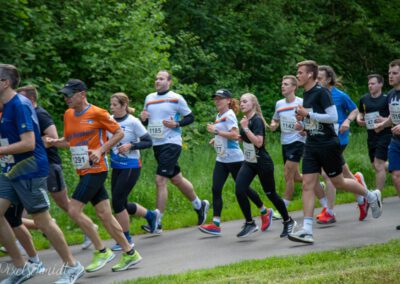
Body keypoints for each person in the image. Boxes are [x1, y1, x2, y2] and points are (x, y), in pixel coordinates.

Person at [0, 64, 84, 283]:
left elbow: (29, 143)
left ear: (5, 83)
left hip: (30, 170)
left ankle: (72, 266)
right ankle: (22, 267)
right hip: (9, 170)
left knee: (43, 221)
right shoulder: (5, 105)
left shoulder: (20, 105)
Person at [47, 79, 142, 273]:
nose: (66, 98)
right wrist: (55, 142)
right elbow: (70, 141)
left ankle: (101, 251)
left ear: (82, 94)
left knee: (73, 210)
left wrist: (101, 150)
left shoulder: (98, 113)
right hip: (82, 169)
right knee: (105, 215)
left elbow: (118, 133)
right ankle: (130, 253)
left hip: (96, 168)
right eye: (65, 95)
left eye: (70, 94)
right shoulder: (68, 114)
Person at [288, 60, 382, 244]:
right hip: (311, 144)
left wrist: (308, 115)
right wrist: (304, 126)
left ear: (309, 75)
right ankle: (307, 230)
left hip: (328, 144)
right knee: (308, 184)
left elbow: (333, 117)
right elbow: (315, 120)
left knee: (338, 182)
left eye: (300, 72)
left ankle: (371, 196)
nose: (297, 75)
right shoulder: (305, 94)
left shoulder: (322, 92)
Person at [17, 85, 95, 250]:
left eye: (21, 98)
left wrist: (31, 145)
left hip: (50, 165)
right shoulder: (25, 114)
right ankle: (20, 237)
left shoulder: (40, 114)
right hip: (32, 167)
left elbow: (52, 137)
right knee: (25, 202)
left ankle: (89, 228)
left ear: (31, 99)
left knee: (65, 204)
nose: (18, 102)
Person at [140, 70, 209, 233]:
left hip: (172, 143)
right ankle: (200, 205)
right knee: (176, 179)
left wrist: (177, 124)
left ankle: (157, 222)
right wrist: (144, 119)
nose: (157, 81)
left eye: (161, 79)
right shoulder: (149, 98)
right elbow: (149, 121)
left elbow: (190, 117)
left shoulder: (176, 98)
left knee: (160, 180)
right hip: (157, 144)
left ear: (169, 82)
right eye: (156, 78)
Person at [199, 89, 272, 236]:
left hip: (234, 158)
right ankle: (216, 224)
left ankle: (264, 211)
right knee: (216, 188)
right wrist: (217, 139)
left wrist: (216, 132)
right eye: (215, 98)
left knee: (243, 189)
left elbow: (234, 135)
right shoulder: (219, 115)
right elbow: (225, 134)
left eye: (220, 98)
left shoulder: (230, 114)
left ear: (228, 101)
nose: (217, 101)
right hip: (221, 158)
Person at [234, 93, 296, 238]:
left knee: (271, 194)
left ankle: (288, 221)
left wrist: (246, 129)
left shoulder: (256, 121)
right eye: (241, 101)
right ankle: (250, 223)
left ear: (253, 104)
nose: (241, 104)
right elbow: (247, 139)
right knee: (239, 189)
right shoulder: (246, 120)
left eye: (245, 101)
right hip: (249, 162)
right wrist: (238, 137)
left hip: (262, 162)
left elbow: (259, 142)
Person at [315, 66, 367, 224]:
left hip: (339, 139)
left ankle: (329, 212)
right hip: (324, 140)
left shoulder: (339, 95)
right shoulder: (317, 95)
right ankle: (362, 195)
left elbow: (354, 110)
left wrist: (347, 121)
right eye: (316, 78)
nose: (317, 81)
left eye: (320, 78)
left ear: (329, 79)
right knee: (343, 173)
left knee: (328, 174)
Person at [108, 92, 160, 250]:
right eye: (110, 105)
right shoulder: (109, 120)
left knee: (117, 201)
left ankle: (126, 238)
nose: (112, 108)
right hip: (116, 166)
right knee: (122, 203)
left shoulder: (133, 121)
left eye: (115, 105)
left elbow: (148, 141)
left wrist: (131, 145)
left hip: (131, 165)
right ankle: (151, 215)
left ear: (124, 106)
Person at [269, 75, 305, 211]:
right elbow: (275, 120)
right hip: (285, 142)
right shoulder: (279, 104)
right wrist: (273, 125)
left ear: (294, 87)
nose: (282, 86)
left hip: (298, 140)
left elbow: (311, 120)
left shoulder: (302, 102)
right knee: (296, 177)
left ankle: (283, 207)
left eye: (286, 84)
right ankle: (317, 182)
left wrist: (303, 128)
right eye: (282, 84)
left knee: (287, 173)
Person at [375, 59, 400, 230]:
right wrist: (383, 125)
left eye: (395, 73)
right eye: (389, 73)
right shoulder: (391, 95)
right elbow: (393, 117)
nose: (391, 76)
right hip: (396, 141)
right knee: (396, 176)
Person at [357, 74, 391, 193]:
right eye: (369, 84)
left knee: (378, 163)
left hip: (385, 134)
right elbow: (360, 112)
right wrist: (359, 119)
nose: (370, 86)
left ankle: (377, 195)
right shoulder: (364, 99)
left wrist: (384, 119)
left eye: (373, 83)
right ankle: (395, 168)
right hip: (371, 135)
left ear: (380, 84)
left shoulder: (387, 99)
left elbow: (394, 117)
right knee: (376, 165)